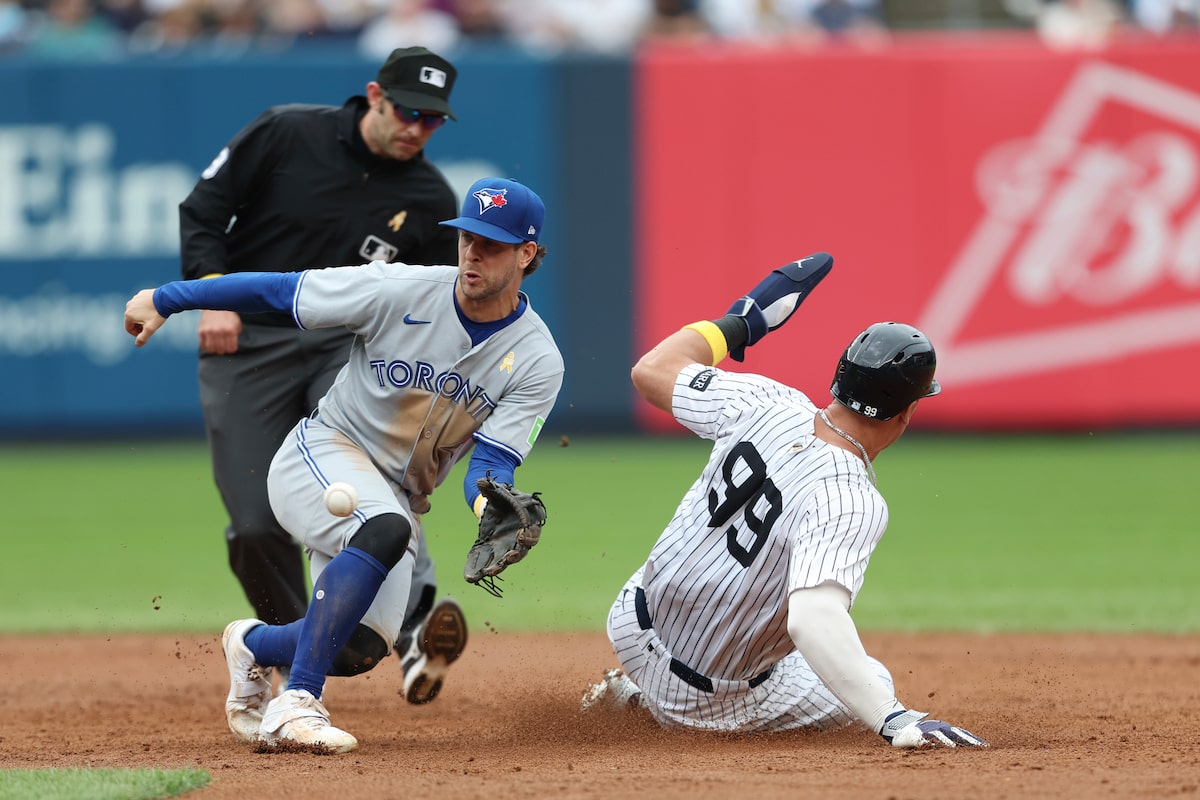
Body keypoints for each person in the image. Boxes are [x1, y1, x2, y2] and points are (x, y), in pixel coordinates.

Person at [126, 176, 562, 752]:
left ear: (527, 254)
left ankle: (254, 646)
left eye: (492, 244)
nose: (472, 254)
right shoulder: (399, 290)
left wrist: (490, 506)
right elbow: (283, 292)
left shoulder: (537, 360)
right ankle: (298, 701)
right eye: (466, 238)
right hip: (324, 453)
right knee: (385, 529)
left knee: (358, 647)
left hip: (398, 497)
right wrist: (169, 298)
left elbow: (492, 466)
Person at [580, 253, 988, 750]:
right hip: (703, 700)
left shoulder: (765, 401)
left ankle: (637, 684)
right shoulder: (851, 497)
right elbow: (813, 618)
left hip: (631, 618)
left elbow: (652, 370)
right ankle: (641, 700)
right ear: (905, 414)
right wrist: (893, 718)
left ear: (839, 380)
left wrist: (744, 320)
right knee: (874, 679)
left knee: (794, 644)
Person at [178, 45, 469, 705]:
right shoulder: (285, 132)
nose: (417, 129)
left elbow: (429, 312)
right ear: (374, 95)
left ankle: (416, 618)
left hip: (346, 350)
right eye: (408, 112)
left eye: (433, 121)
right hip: (249, 342)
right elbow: (202, 213)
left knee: (378, 485)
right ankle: (299, 639)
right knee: (254, 525)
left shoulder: (428, 198)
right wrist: (212, 292)